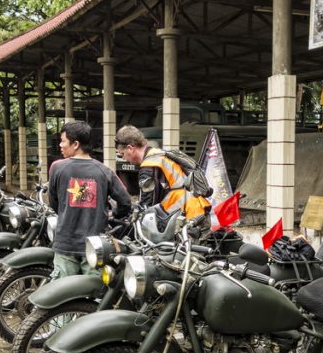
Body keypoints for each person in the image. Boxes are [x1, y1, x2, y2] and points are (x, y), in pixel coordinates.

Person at [48, 120, 132, 279]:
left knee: (62, 296)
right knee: (93, 296)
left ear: (76, 144)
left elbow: (54, 202)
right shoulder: (104, 171)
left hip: (66, 242)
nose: (60, 145)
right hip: (95, 247)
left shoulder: (58, 168)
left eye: (63, 141)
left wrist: (67, 212)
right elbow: (126, 202)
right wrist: (113, 215)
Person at [116, 124, 209, 218]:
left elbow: (147, 204)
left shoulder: (149, 166)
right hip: (198, 210)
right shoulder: (159, 154)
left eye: (122, 154)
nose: (124, 158)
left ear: (130, 148)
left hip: (188, 217)